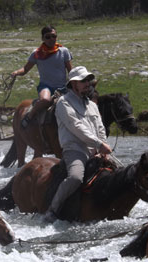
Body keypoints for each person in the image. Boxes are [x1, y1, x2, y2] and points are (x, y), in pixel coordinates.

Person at [44, 66, 112, 223]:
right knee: (75, 178)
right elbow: (76, 127)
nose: (88, 84)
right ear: (74, 84)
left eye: (88, 80)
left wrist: (104, 148)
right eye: (83, 81)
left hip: (96, 149)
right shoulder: (64, 103)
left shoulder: (93, 105)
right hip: (75, 150)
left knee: (122, 174)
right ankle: (52, 211)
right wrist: (99, 144)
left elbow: (100, 129)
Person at [11, 25, 73, 128]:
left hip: (63, 86)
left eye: (53, 36)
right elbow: (25, 69)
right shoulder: (36, 54)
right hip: (46, 86)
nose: (51, 39)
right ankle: (29, 116)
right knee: (45, 100)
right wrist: (16, 72)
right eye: (48, 37)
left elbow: (71, 70)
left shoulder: (64, 51)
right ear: (43, 38)